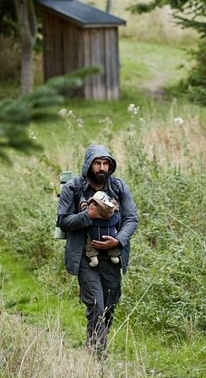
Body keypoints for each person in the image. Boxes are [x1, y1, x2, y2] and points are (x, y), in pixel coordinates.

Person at [57, 144, 139, 358]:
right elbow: (63, 221)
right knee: (96, 303)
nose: (102, 168)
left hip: (112, 258)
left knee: (108, 307)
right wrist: (89, 215)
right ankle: (97, 355)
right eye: (97, 163)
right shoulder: (73, 189)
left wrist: (118, 241)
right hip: (85, 257)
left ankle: (92, 344)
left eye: (106, 164)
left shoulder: (119, 187)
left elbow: (131, 218)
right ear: (88, 165)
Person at [80, 191, 122, 267]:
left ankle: (93, 259)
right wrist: (114, 204)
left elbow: (83, 209)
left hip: (93, 237)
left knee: (90, 244)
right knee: (115, 239)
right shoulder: (112, 215)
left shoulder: (91, 214)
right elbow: (117, 214)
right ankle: (114, 255)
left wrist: (83, 202)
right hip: (110, 236)